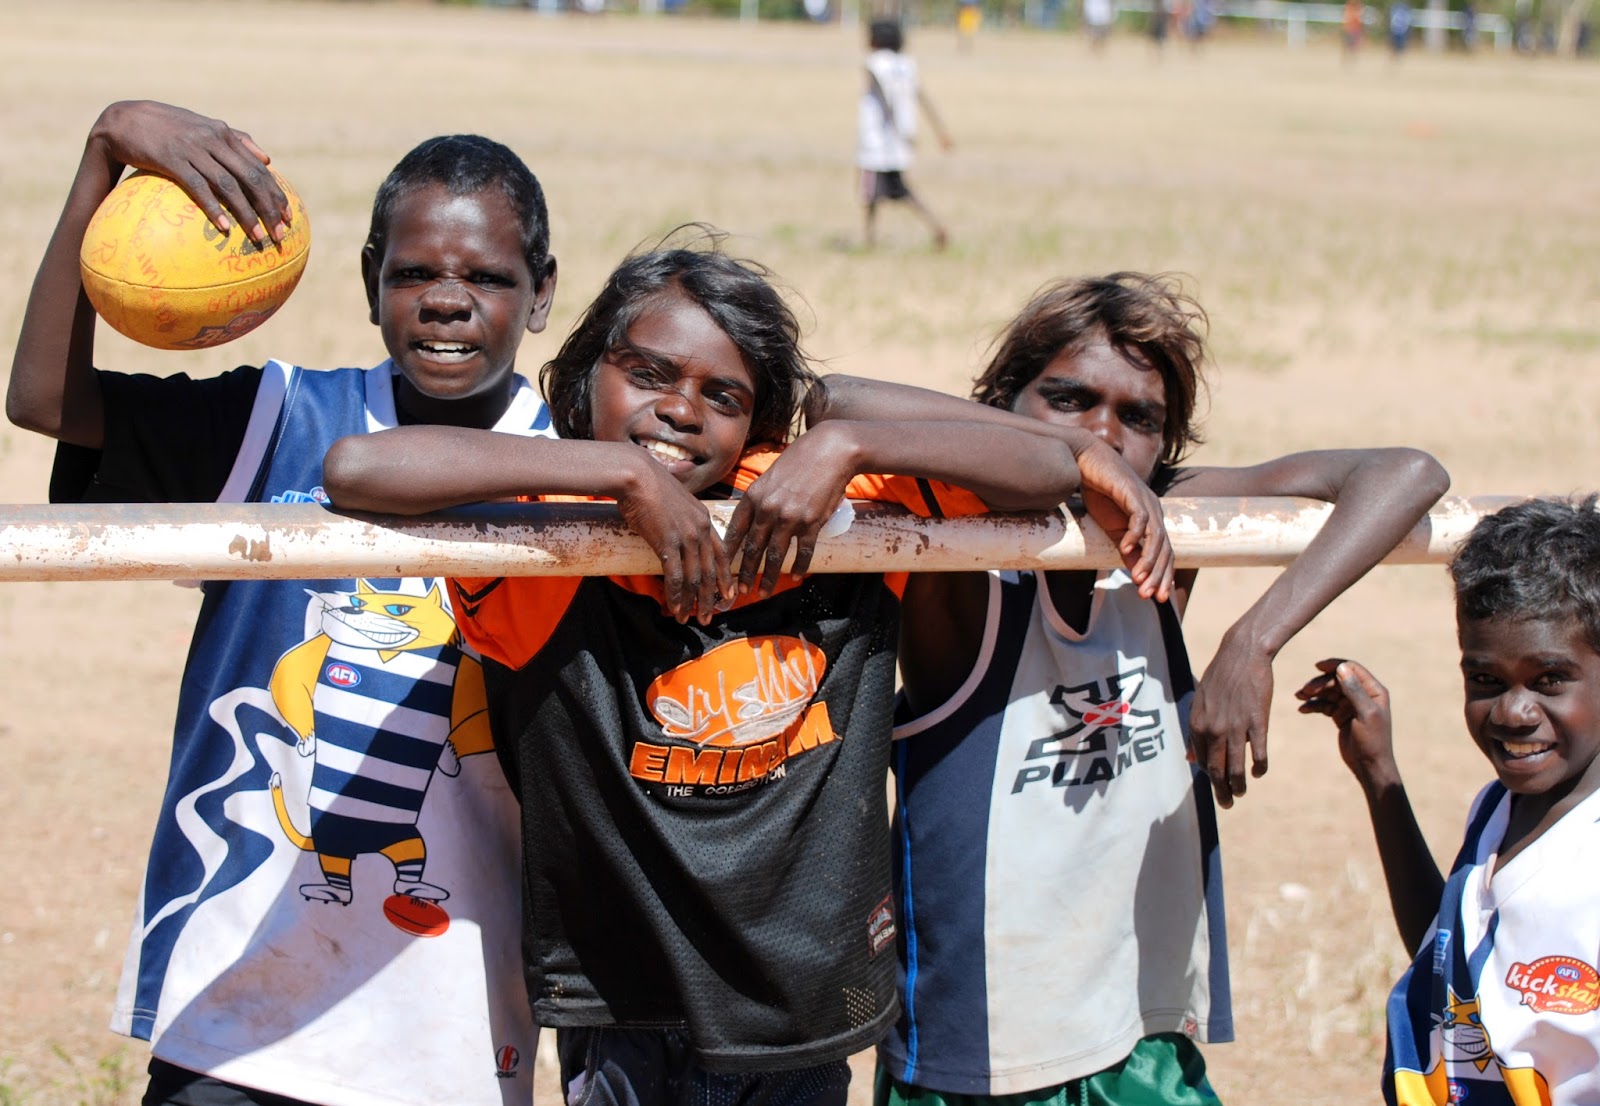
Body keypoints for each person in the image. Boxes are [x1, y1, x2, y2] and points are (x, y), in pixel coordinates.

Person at [319, 240, 1172, 1105]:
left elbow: (1044, 472)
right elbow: (358, 469)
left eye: (721, 396)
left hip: (810, 993)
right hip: (627, 999)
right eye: (649, 372)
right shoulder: (549, 543)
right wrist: (620, 474)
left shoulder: (828, 517)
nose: (680, 410)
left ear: (757, 425)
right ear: (584, 383)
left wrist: (842, 436)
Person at [6, 101, 560, 1106]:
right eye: (412, 273)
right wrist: (103, 154)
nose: (446, 301)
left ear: (541, 294)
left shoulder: (574, 468)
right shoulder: (278, 420)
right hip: (243, 997)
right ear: (366, 283)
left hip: (452, 1009)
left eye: (486, 277)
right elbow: (47, 399)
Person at [812, 273, 1449, 1104]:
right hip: (985, 1055)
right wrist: (1076, 459)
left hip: (1141, 1034)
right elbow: (834, 401)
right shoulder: (963, 560)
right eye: (1069, 400)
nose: (1106, 434)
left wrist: (1252, 641)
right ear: (1005, 402)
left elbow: (1407, 472)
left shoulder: (1167, 534)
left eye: (1137, 420)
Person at [1298, 496, 1600, 1105]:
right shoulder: (1498, 808)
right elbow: (1448, 960)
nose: (1514, 712)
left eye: (1550, 680)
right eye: (1485, 680)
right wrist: (1378, 774)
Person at [857, 18, 953, 252]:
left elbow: (885, 98)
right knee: (899, 190)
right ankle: (935, 226)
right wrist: (939, 130)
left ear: (876, 39)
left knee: (870, 193)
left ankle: (870, 241)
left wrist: (896, 127)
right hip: (898, 143)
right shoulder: (906, 65)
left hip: (876, 142)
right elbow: (921, 96)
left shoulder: (875, 63)